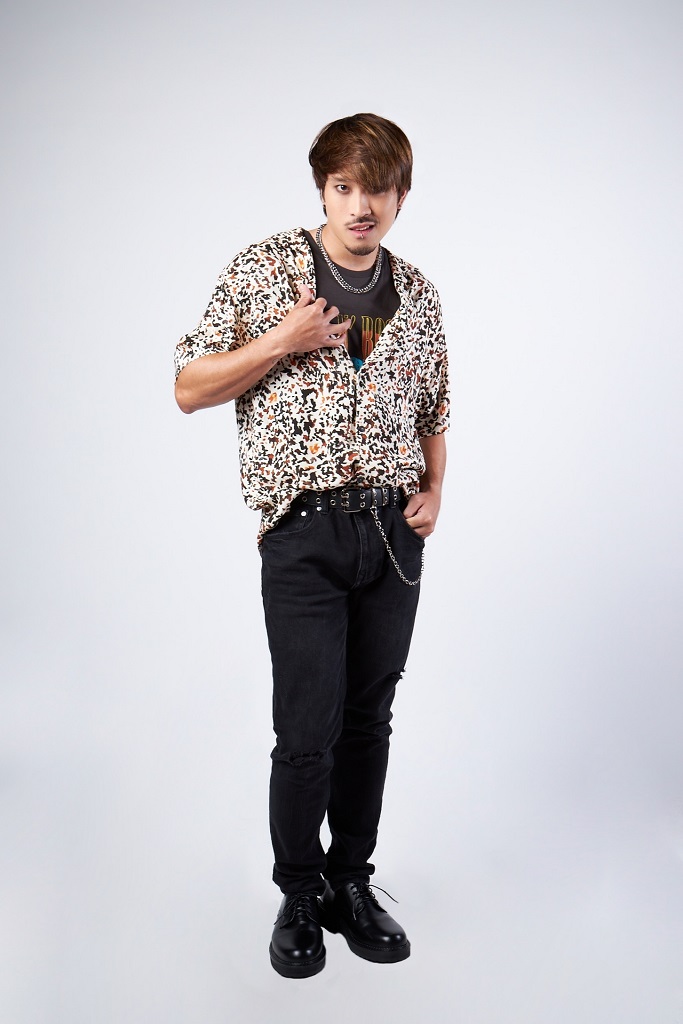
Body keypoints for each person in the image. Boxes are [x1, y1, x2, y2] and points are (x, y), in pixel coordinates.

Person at [174, 113, 450, 979]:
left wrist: (435, 490)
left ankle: (348, 883)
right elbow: (188, 386)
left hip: (392, 537)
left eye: (378, 189)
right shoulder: (265, 270)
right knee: (306, 729)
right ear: (322, 190)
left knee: (369, 721)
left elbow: (435, 409)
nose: (361, 205)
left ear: (400, 195)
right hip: (302, 532)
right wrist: (280, 341)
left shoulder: (418, 294)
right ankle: (297, 893)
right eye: (343, 187)